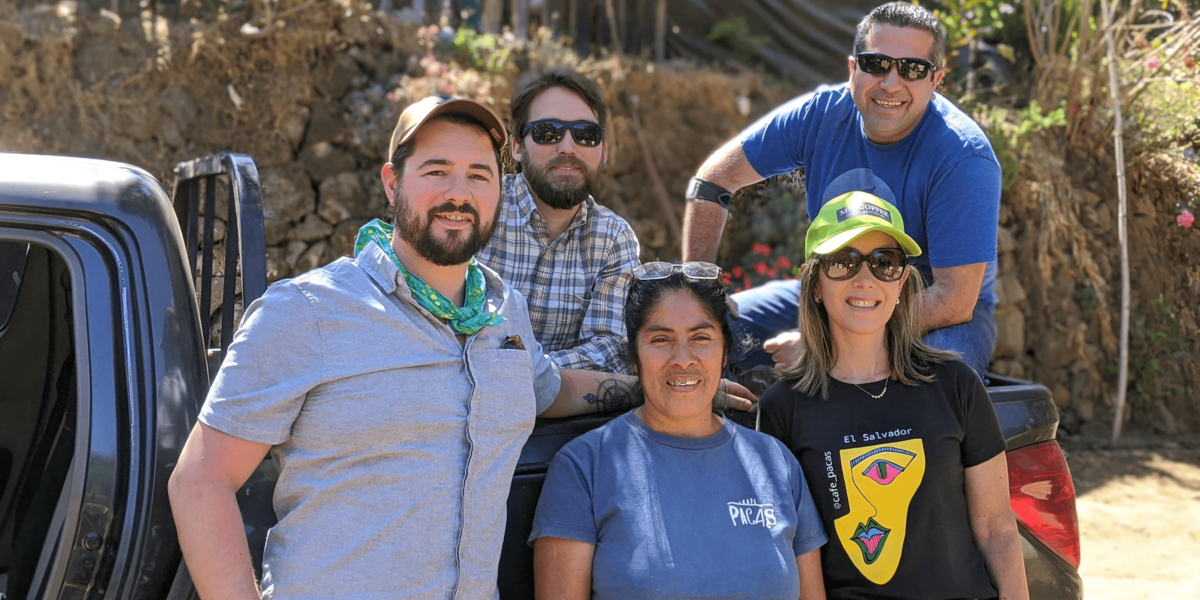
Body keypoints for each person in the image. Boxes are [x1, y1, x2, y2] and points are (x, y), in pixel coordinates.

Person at [166, 96, 746, 600]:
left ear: (500, 191)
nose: (458, 194)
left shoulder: (502, 313)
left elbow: (551, 390)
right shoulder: (307, 312)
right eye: (436, 171)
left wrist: (678, 388)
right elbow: (200, 483)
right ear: (393, 183)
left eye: (478, 175)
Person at [681, 1, 1001, 378]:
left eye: (913, 69)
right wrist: (699, 287)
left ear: (936, 81)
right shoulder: (820, 116)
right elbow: (712, 181)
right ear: (853, 69)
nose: (891, 83)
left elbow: (953, 301)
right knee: (699, 333)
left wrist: (831, 343)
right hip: (832, 293)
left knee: (946, 377)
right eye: (876, 64)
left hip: (926, 308)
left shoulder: (963, 156)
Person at [757, 192, 1028, 599]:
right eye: (843, 262)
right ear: (814, 283)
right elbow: (792, 550)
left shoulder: (955, 384)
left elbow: (997, 528)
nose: (865, 279)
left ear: (902, 282)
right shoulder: (784, 407)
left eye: (885, 263)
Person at [530, 262, 828, 600]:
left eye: (701, 337)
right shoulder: (584, 467)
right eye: (661, 339)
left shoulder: (777, 463)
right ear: (634, 356)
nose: (682, 358)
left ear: (725, 351)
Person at [478, 66, 640, 373]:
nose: (568, 147)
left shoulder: (613, 238)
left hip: (562, 414)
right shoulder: (481, 207)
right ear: (515, 147)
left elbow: (610, 348)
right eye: (547, 132)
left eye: (586, 135)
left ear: (603, 151)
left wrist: (520, 370)